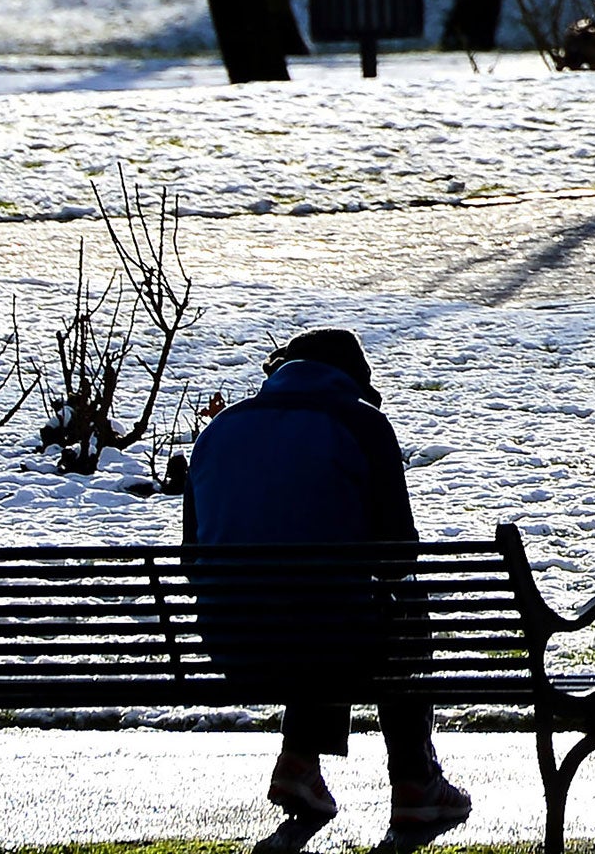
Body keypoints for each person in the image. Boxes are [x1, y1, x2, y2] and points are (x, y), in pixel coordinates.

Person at [183, 327, 472, 830]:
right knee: (393, 605)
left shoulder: (219, 430)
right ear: (353, 379)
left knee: (312, 600)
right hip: (330, 637)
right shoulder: (362, 425)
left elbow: (193, 558)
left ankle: (299, 762)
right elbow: (400, 557)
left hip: (233, 641)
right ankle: (414, 779)